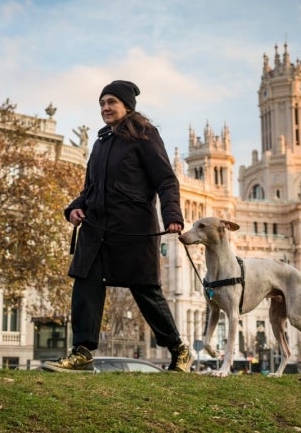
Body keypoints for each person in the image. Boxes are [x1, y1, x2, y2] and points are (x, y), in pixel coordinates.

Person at [43, 80, 192, 373]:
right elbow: (90, 189)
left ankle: (179, 349)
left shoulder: (145, 136)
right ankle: (82, 351)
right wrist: (75, 208)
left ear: (127, 106)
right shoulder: (100, 143)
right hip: (96, 229)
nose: (105, 108)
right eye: (102, 103)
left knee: (145, 290)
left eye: (111, 102)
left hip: (133, 230)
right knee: (85, 283)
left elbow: (166, 179)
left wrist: (172, 214)